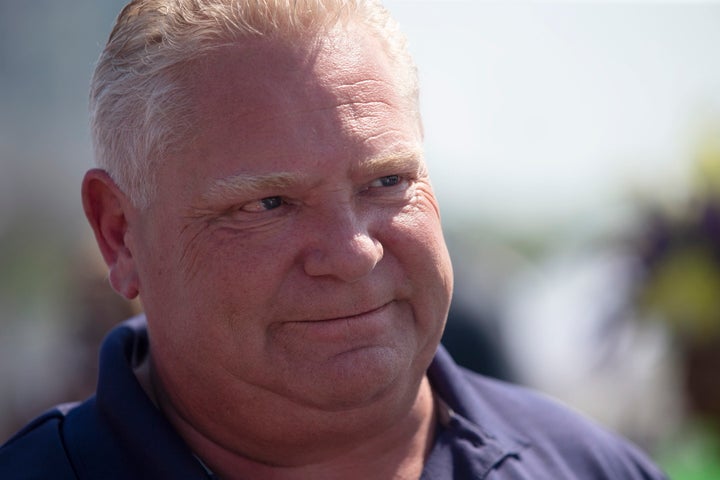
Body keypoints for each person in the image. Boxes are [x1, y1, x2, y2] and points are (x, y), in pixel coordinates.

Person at [0, 1, 667, 478]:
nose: (353, 253)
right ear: (120, 235)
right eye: (270, 202)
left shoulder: (590, 465)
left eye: (385, 182)